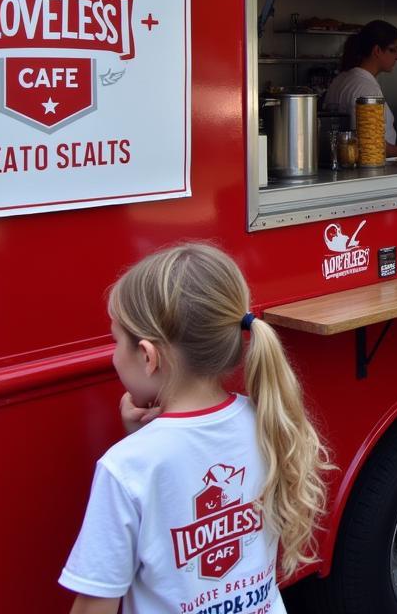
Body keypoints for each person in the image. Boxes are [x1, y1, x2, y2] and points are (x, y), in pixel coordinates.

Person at [60, 244, 332, 614]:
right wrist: (138, 439)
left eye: (115, 341)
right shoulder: (265, 419)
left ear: (147, 356)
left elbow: (96, 604)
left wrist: (135, 446)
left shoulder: (124, 469)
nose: (112, 355)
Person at [324, 19, 397, 157]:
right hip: (369, 170)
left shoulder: (341, 79)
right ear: (377, 50)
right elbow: (370, 145)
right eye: (392, 50)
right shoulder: (366, 89)